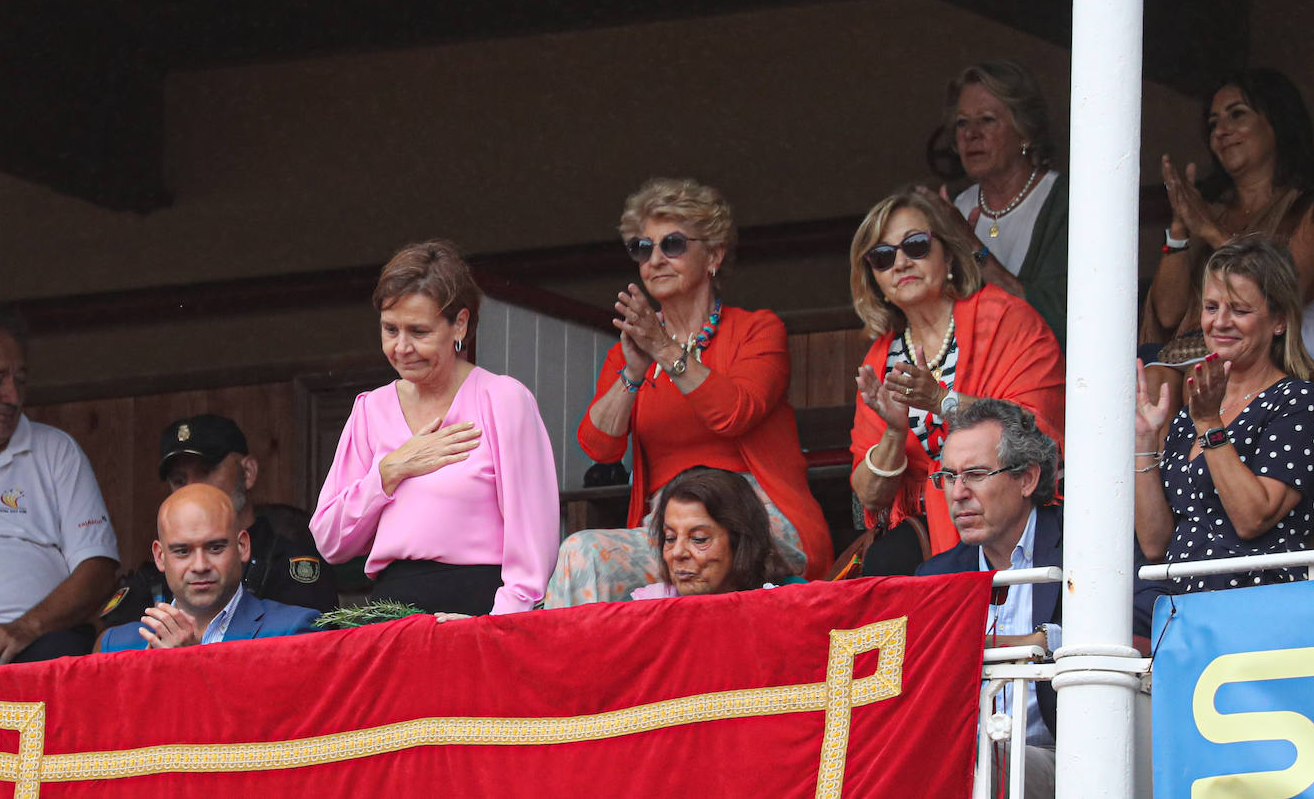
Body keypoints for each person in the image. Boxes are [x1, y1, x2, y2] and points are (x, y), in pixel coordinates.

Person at [544, 178, 832, 606]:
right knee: (581, 553)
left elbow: (736, 413)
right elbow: (599, 448)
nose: (655, 259)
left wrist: (663, 347)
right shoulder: (632, 351)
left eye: (673, 245)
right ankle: (579, 672)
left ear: (713, 255)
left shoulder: (757, 329)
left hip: (757, 518)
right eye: (643, 248)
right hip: (671, 529)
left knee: (611, 551)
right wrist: (633, 373)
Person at [309, 239, 560, 615]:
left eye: (419, 331)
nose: (401, 347)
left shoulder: (503, 399)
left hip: (480, 602)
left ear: (459, 323)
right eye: (390, 330)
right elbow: (330, 541)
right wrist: (390, 471)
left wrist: (498, 625)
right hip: (391, 608)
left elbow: (533, 543)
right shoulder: (370, 409)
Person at [849, 186, 1065, 567]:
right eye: (882, 257)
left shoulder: (1006, 319)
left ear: (947, 253)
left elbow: (1036, 435)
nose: (899, 263)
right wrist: (895, 433)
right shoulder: (880, 357)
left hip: (1015, 513)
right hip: (929, 529)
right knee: (885, 568)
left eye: (915, 246)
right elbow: (870, 497)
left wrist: (940, 401)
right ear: (875, 280)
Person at [1142, 69, 1314, 415]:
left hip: (1295, 367)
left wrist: (1209, 231)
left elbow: (1282, 290)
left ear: (1278, 124)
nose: (1221, 132)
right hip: (1212, 360)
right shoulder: (1208, 211)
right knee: (1158, 384)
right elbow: (1167, 314)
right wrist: (1181, 227)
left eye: (1237, 114)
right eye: (1213, 124)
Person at [1135, 237, 1314, 591]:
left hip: (1256, 602)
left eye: (1239, 310)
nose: (1220, 322)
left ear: (1279, 321)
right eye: (1211, 308)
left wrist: (1211, 425)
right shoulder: (1192, 414)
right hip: (1183, 610)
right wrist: (1143, 443)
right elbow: (1155, 544)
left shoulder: (1297, 402)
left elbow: (1252, 518)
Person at [915, 398, 1064, 799]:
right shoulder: (934, 578)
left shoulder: (1082, 544)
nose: (958, 493)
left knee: (967, 764)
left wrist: (1046, 641)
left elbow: (1144, 623)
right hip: (969, 759)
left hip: (1066, 756)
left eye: (976, 474)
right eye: (948, 477)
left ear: (1027, 478)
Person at [100, 414, 337, 628]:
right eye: (179, 480)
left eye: (205, 472)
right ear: (161, 555)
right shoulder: (153, 573)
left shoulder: (288, 561)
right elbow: (107, 645)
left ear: (248, 472)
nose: (193, 488)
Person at [0, 304, 119, 665]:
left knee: (62, 659)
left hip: (35, 640)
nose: (12, 396)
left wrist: (25, 627)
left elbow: (98, 568)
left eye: (19, 380)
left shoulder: (55, 451)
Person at [99, 485, 319, 651]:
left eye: (215, 548)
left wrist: (193, 663)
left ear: (242, 546)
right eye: (182, 551)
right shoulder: (117, 644)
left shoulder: (293, 631)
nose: (200, 565)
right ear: (160, 557)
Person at [945, 61, 1069, 348]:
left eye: (987, 120)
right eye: (962, 122)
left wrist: (971, 247)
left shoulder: (1065, 203)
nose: (971, 134)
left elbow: (1061, 319)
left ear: (1025, 132)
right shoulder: (953, 208)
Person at [632, 467, 799, 600]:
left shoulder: (796, 602)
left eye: (699, 539)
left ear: (740, 542)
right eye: (670, 538)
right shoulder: (647, 611)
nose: (677, 553)